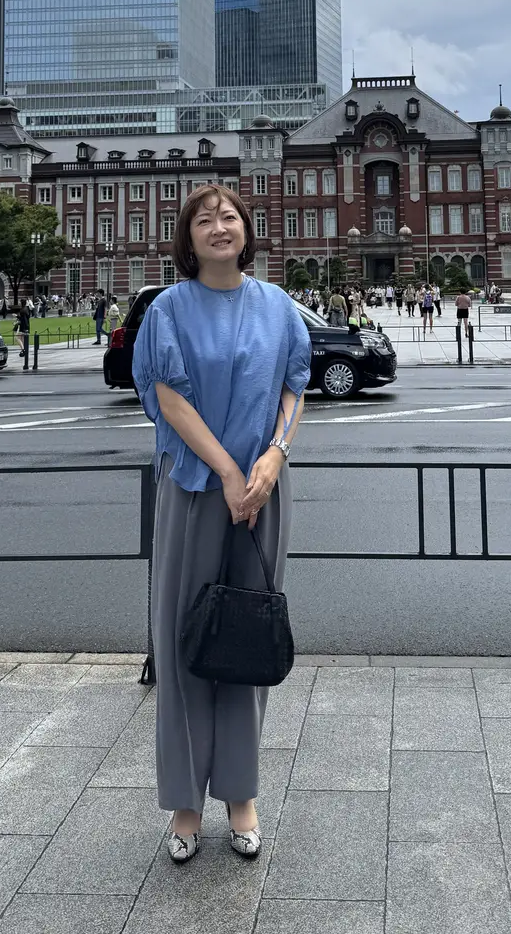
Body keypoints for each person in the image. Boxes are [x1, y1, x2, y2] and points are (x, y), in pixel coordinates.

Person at [132, 183, 310, 866]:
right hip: (197, 489)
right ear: (188, 236)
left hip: (263, 493)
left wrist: (272, 457)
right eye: (204, 220)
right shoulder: (168, 309)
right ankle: (184, 802)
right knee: (182, 642)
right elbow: (168, 399)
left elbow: (295, 388)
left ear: (246, 230)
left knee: (246, 636)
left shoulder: (278, 307)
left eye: (229, 216)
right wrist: (230, 472)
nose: (218, 226)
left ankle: (241, 796)